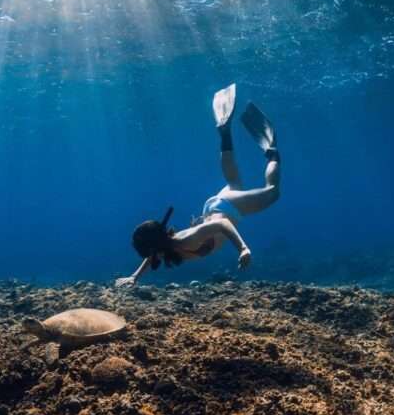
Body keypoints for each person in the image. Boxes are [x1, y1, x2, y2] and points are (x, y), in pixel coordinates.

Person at [115, 84, 281, 287]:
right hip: (214, 208)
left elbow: (223, 225)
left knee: (272, 193)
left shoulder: (186, 241)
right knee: (234, 182)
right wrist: (134, 277)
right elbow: (151, 257)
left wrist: (243, 248)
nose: (151, 256)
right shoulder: (166, 247)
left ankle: (272, 152)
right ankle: (225, 134)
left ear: (154, 247)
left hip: (226, 209)